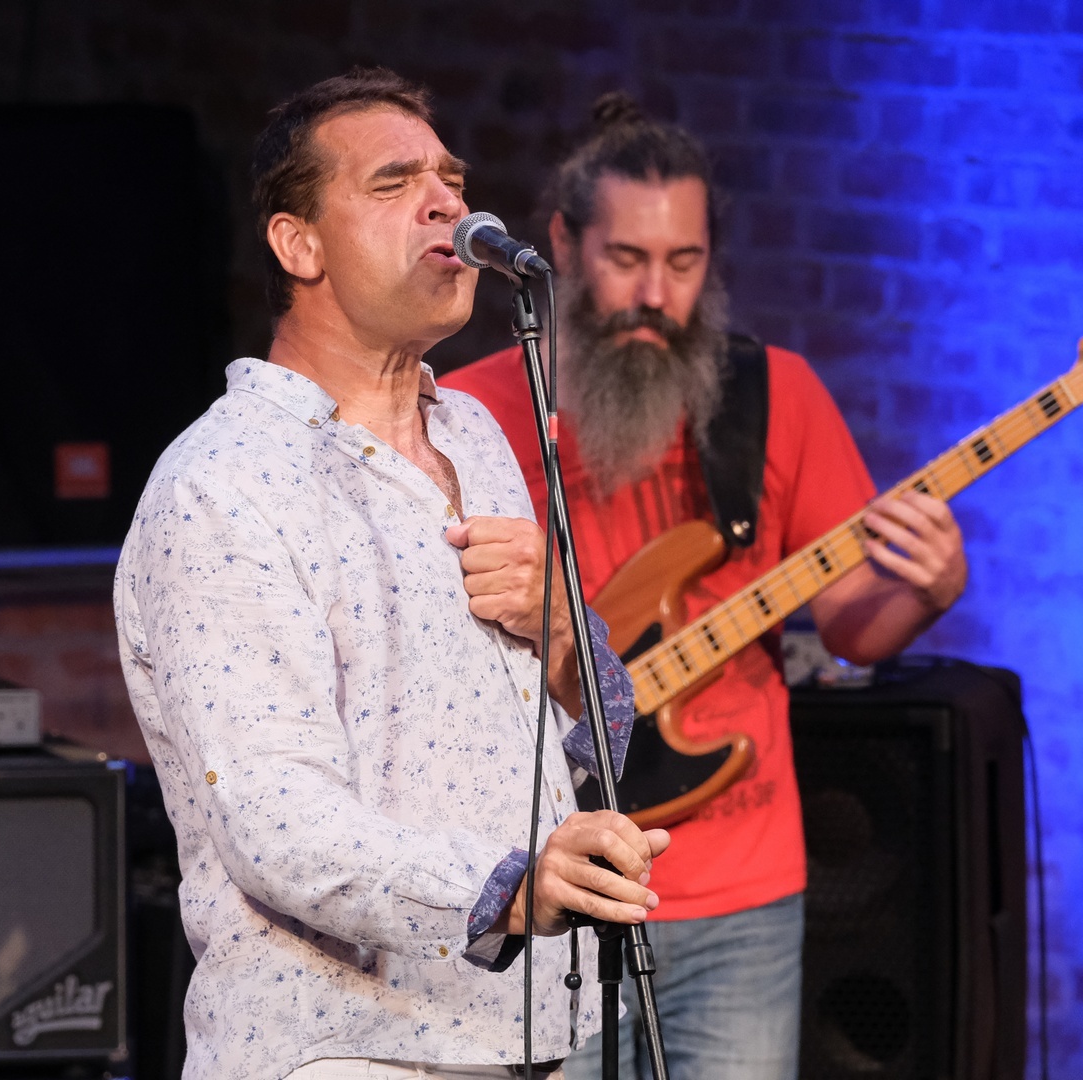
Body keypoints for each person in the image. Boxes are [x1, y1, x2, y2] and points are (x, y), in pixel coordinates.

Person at [114, 70, 671, 1080]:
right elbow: (278, 822)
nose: (447, 202)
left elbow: (584, 751)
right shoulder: (223, 483)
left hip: (534, 1039)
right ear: (300, 245)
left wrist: (564, 635)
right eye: (394, 182)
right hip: (344, 1050)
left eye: (453, 178)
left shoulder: (478, 433)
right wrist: (512, 887)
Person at [441, 93, 969, 1080]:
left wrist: (929, 591)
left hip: (742, 892)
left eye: (683, 263)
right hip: (552, 879)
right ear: (565, 243)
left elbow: (851, 628)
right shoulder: (466, 414)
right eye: (627, 258)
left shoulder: (776, 396)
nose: (656, 293)